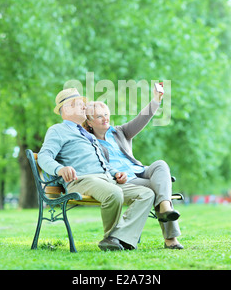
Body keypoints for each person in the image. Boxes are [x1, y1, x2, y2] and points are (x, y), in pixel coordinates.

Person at [38, 88, 155, 251]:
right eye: (79, 104)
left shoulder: (89, 135)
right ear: (66, 109)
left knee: (146, 194)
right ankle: (112, 238)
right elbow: (44, 156)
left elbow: (102, 163)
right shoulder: (58, 130)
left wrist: (116, 173)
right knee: (114, 193)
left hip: (106, 179)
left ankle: (118, 238)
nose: (84, 107)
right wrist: (59, 169)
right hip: (82, 181)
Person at [83, 87, 183, 249]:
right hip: (125, 181)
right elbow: (95, 166)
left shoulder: (120, 132)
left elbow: (142, 118)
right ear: (89, 122)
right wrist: (115, 175)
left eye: (106, 115)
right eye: (99, 116)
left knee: (160, 164)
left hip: (139, 170)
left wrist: (156, 100)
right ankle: (171, 240)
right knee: (160, 189)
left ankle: (165, 205)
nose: (105, 119)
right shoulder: (89, 142)